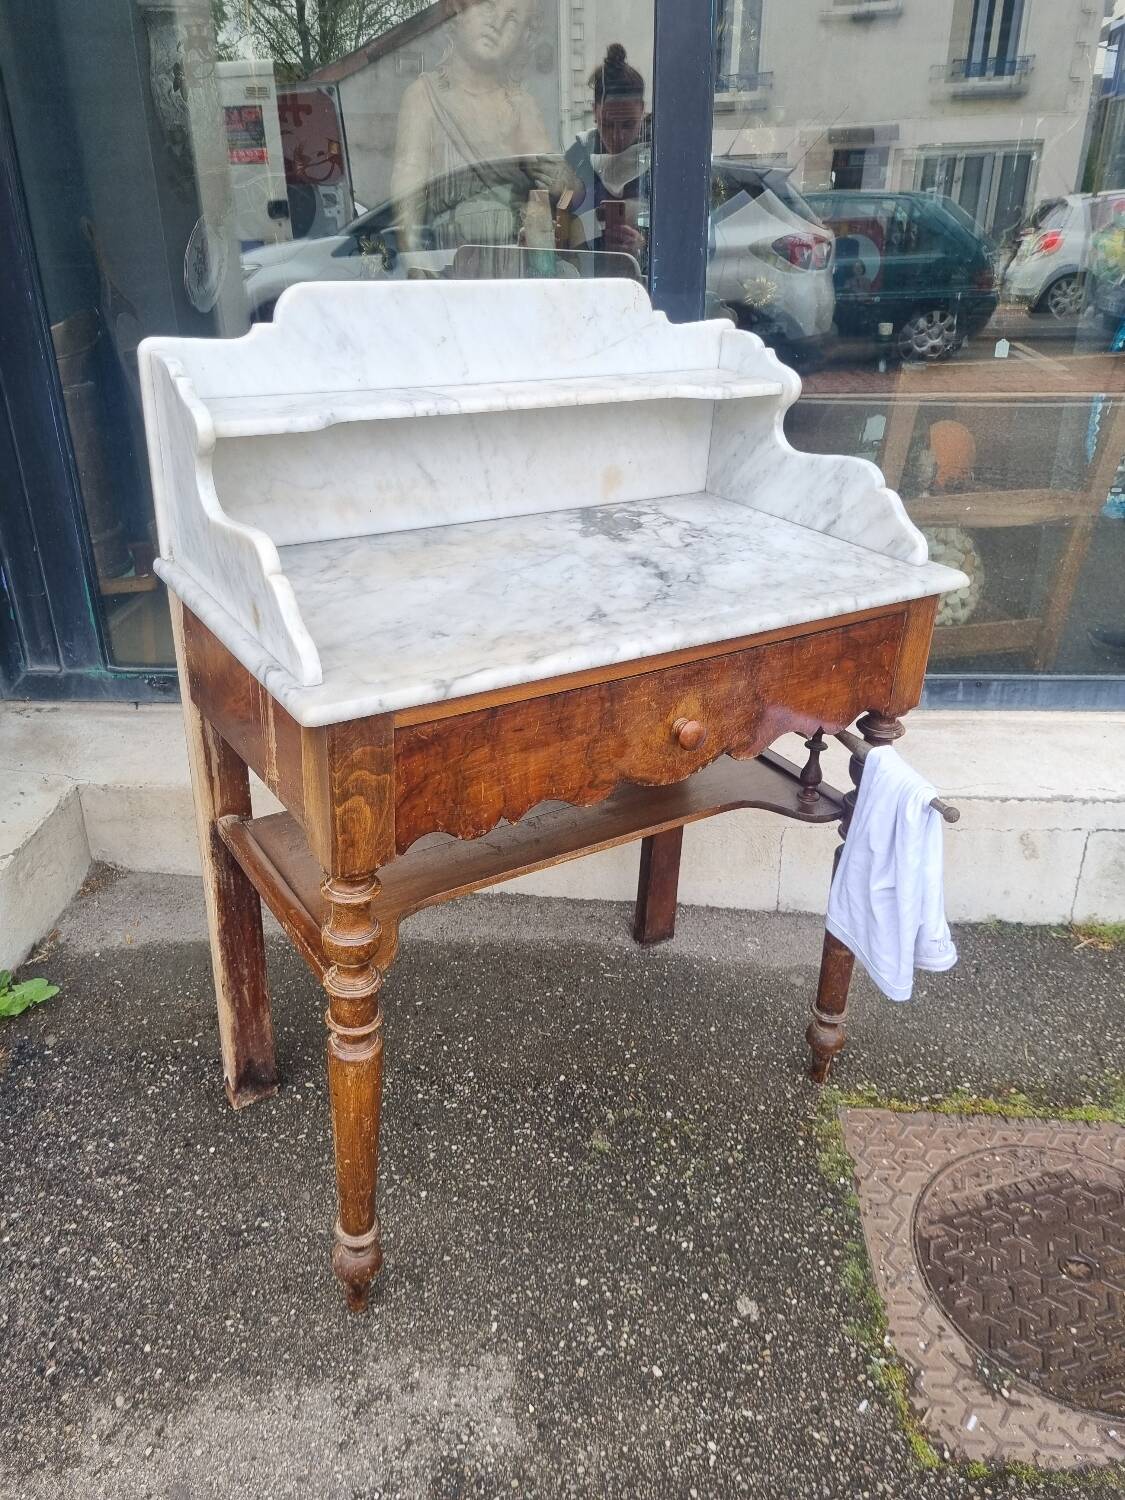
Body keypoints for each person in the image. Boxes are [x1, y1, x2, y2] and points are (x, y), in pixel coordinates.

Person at [391, 0, 570, 255]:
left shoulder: (519, 105)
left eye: (511, 19)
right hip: (454, 259)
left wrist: (563, 184)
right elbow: (408, 188)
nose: (496, 24)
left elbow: (557, 179)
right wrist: (414, 261)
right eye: (487, 5)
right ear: (457, 9)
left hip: (514, 257)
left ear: (524, 36)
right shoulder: (423, 97)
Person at [564, 44, 649, 267]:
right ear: (594, 111)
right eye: (607, 124)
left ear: (642, 109)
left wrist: (645, 248)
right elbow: (560, 224)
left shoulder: (661, 161)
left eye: (628, 124)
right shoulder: (578, 158)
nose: (617, 136)